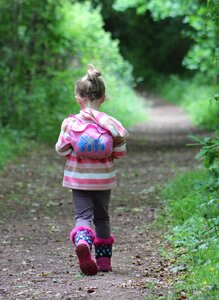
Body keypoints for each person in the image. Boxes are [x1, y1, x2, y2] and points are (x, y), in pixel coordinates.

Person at [55, 64, 128, 275]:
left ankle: (83, 243)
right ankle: (104, 261)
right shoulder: (111, 124)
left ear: (78, 97)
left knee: (83, 217)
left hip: (78, 180)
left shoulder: (70, 123)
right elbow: (121, 152)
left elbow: (61, 149)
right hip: (103, 180)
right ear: (103, 97)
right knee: (102, 218)